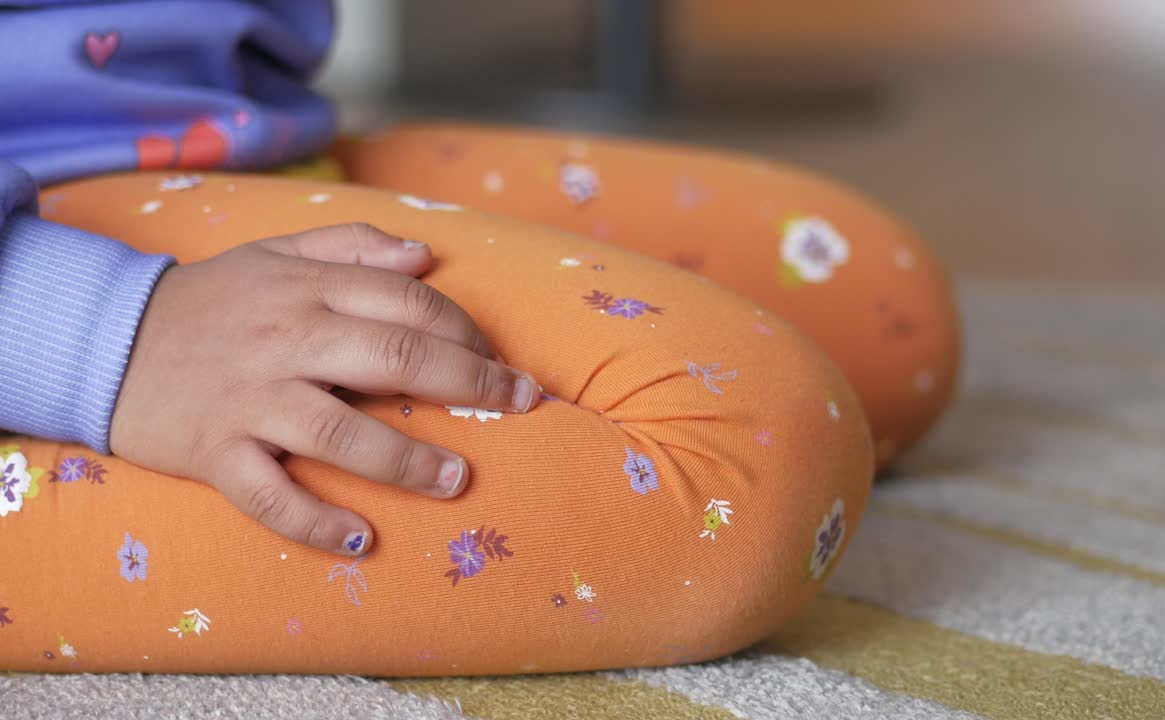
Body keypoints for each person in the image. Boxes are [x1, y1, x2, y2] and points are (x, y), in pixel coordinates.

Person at [0, 0, 958, 674]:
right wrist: (94, 335)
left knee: (885, 312)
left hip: (239, 132)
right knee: (751, 466)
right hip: (45, 223)